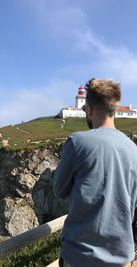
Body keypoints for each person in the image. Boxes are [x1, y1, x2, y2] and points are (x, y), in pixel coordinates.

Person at [53, 78, 137, 267]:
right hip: (122, 257)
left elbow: (59, 190)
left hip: (80, 256)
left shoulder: (77, 142)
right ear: (114, 109)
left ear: (89, 109)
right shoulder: (133, 149)